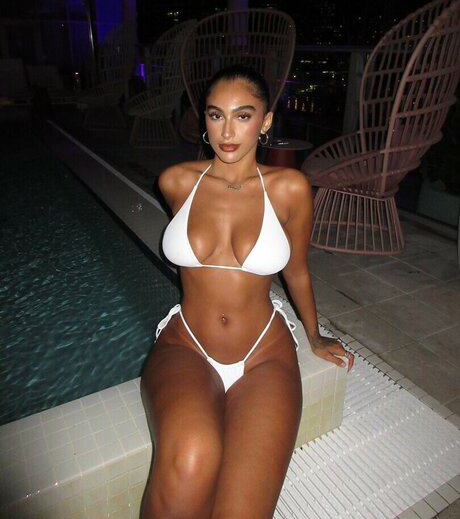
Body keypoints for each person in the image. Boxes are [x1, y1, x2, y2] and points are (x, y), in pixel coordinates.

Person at [140, 65, 354, 519]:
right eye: (216, 115)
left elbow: (297, 270)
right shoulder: (176, 181)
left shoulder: (290, 188)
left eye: (243, 115)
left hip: (263, 353)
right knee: (192, 457)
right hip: (187, 344)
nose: (227, 131)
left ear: (266, 120)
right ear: (204, 119)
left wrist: (314, 335)